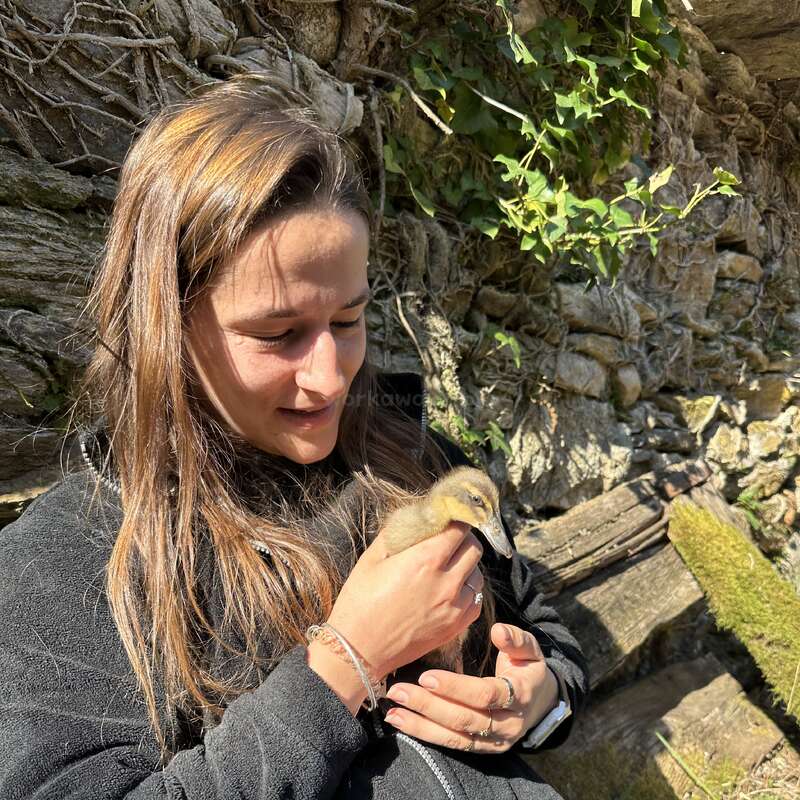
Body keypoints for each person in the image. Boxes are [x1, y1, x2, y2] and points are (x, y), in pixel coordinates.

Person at [0, 74, 588, 799]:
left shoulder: (410, 461)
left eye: (348, 320)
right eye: (278, 334)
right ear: (165, 327)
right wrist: (344, 664)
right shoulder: (63, 565)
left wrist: (534, 701)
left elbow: (543, 629)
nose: (331, 377)